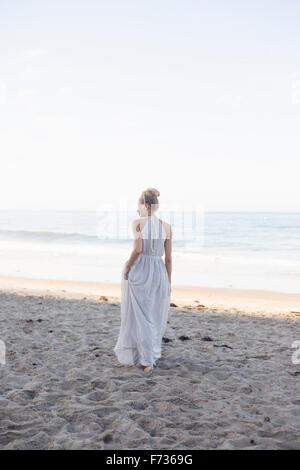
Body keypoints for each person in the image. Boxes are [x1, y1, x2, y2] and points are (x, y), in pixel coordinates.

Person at [114, 188, 172, 373]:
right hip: (160, 272)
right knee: (153, 315)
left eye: (138, 205)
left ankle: (147, 361)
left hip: (142, 270)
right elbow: (169, 258)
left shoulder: (137, 223)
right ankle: (147, 354)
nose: (137, 209)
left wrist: (129, 267)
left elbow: (138, 249)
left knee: (141, 315)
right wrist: (168, 282)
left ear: (146, 205)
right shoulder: (167, 226)